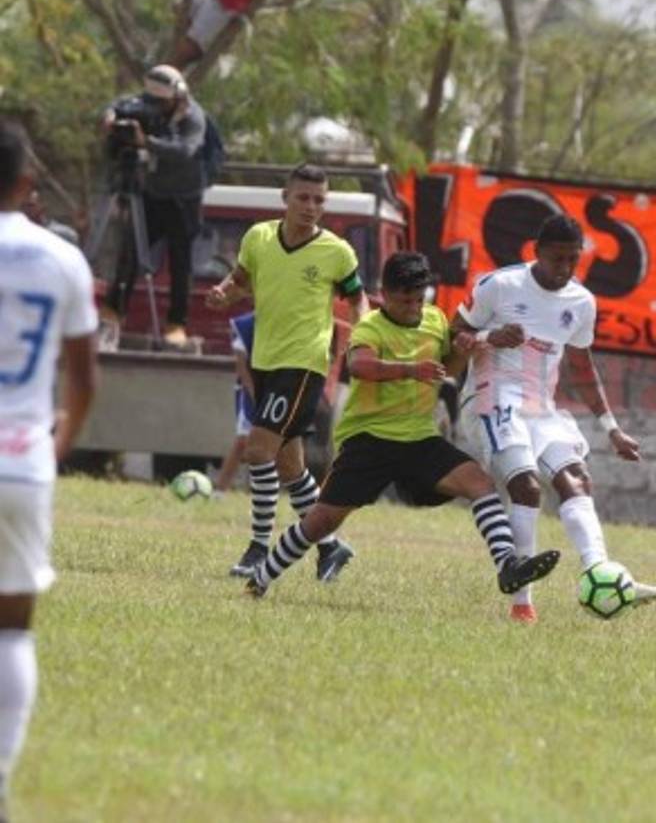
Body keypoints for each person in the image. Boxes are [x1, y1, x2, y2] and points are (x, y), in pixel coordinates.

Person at [245, 252, 562, 599]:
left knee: (479, 481)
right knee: (322, 521)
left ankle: (507, 565)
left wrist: (463, 349)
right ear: (385, 292)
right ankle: (261, 576)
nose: (413, 307)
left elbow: (449, 371)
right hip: (368, 440)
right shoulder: (370, 326)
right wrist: (411, 369)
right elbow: (361, 365)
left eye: (418, 299)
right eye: (404, 300)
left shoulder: (435, 319)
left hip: (418, 437)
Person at [452, 214, 656, 624]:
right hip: (492, 398)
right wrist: (486, 339)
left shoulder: (582, 302)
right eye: (556, 259)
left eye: (572, 260)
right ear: (536, 252)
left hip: (540, 408)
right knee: (527, 487)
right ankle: (522, 604)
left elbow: (583, 368)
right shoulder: (499, 285)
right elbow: (451, 334)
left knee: (576, 480)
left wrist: (612, 429)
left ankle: (600, 571)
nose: (564, 269)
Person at [0, 120, 98, 818]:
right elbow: (85, 382)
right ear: (28, 185)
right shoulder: (60, 260)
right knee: (13, 627)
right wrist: (52, 449)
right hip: (22, 461)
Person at [207, 162, 367, 582]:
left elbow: (357, 300)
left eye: (319, 200)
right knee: (290, 467)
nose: (311, 206)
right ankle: (331, 548)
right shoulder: (258, 237)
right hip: (265, 359)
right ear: (285, 198)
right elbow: (241, 279)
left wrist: (361, 339)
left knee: (257, 450)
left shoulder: (337, 251)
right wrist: (225, 292)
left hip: (304, 363)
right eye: (303, 197)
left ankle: (259, 547)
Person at [99, 64, 207, 350]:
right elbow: (120, 104)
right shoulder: (147, 105)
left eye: (161, 102)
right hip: (153, 194)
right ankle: (113, 309)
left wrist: (145, 141)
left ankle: (177, 323)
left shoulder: (193, 117)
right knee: (131, 251)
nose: (155, 107)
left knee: (180, 262)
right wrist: (110, 117)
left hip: (183, 198)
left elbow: (185, 150)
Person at [213, 311, 255, 494]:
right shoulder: (246, 325)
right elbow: (241, 367)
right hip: (250, 390)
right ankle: (219, 491)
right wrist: (254, 392)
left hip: (276, 388)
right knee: (242, 442)